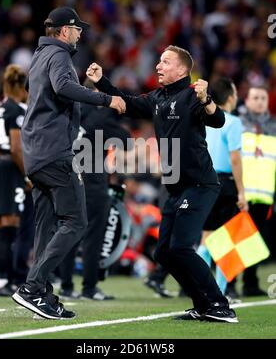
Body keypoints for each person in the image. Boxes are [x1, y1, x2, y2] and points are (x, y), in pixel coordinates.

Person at [87, 45, 238, 323]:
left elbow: (218, 120)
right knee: (164, 253)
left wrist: (207, 99)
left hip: (200, 184)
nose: (158, 66)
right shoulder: (157, 98)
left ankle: (220, 305)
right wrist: (101, 82)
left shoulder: (193, 94)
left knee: (180, 248)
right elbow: (128, 102)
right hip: (176, 188)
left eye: (165, 62)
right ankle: (203, 305)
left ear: (182, 69)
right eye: (158, 61)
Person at [12, 6, 126, 320]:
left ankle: (43, 295)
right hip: (54, 153)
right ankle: (33, 288)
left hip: (35, 154)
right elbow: (62, 88)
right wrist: (105, 98)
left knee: (46, 227)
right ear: (65, 31)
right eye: (77, 29)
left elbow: (42, 91)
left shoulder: (39, 56)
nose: (80, 34)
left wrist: (84, 89)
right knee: (76, 221)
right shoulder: (60, 54)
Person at [58, 80, 132, 301]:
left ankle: (65, 285)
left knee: (69, 231)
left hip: (68, 176)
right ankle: (89, 287)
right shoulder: (103, 116)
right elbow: (126, 141)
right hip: (93, 180)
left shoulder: (72, 107)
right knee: (93, 234)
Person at [197, 78, 248, 300]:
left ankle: (201, 291)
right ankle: (219, 293)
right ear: (229, 97)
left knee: (206, 238)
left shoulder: (202, 118)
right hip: (225, 184)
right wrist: (242, 191)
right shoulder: (233, 122)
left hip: (204, 182)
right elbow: (235, 159)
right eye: (235, 92)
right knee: (226, 242)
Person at [0, 64, 29, 296]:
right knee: (9, 227)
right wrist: (26, 174)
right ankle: (3, 283)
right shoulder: (16, 111)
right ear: (21, 87)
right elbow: (16, 148)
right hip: (11, 167)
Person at [234, 86, 276, 296]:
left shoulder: (274, 127)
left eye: (263, 98)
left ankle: (250, 282)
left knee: (257, 243)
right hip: (241, 193)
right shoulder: (237, 125)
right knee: (235, 241)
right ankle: (229, 284)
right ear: (247, 101)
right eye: (255, 98)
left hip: (265, 195)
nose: (260, 101)